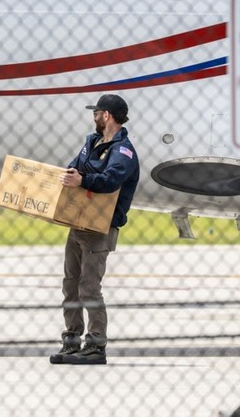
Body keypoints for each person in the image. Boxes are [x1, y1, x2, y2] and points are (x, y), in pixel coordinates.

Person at [49, 94, 140, 365]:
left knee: (89, 287)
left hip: (100, 228)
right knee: (70, 285)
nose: (94, 117)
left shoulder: (123, 151)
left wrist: (83, 180)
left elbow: (110, 180)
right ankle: (71, 340)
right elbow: (75, 167)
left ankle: (96, 345)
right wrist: (72, 175)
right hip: (78, 224)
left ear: (107, 115)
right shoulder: (92, 142)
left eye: (96, 112)